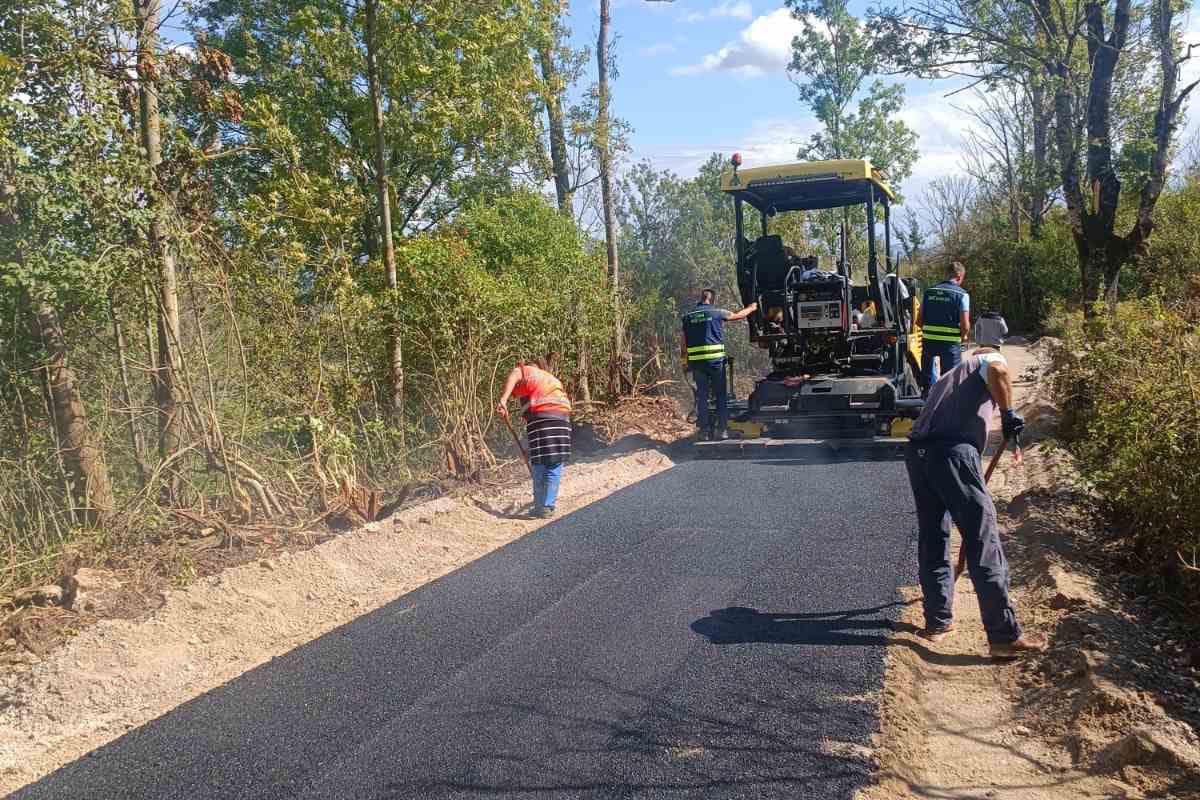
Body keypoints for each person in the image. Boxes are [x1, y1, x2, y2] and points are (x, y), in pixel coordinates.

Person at [905, 349, 1045, 657]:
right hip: (952, 453)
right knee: (983, 539)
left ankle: (937, 621)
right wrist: (1008, 414)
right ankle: (1003, 635)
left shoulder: (949, 376)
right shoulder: (988, 360)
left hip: (918, 454)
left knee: (933, 536)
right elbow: (999, 371)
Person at [496, 353, 571, 518]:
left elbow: (516, 372)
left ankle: (539, 506)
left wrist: (503, 400)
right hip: (563, 418)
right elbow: (528, 416)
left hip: (543, 416)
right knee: (554, 463)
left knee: (539, 463)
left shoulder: (529, 372)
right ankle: (547, 506)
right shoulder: (549, 379)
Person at [680, 289, 757, 440]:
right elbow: (737, 315)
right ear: (712, 300)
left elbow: (683, 342)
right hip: (716, 363)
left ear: (701, 299)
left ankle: (704, 431)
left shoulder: (687, 317)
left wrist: (684, 362)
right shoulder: (717, 313)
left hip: (697, 364)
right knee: (720, 396)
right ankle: (722, 431)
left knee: (702, 397)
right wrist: (752, 308)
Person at [917, 261, 970, 391]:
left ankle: (926, 403)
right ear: (959, 276)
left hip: (929, 342)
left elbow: (919, 321)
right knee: (949, 381)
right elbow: (965, 325)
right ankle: (946, 407)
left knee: (927, 381)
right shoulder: (962, 294)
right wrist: (964, 337)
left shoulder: (929, 292)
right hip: (950, 344)